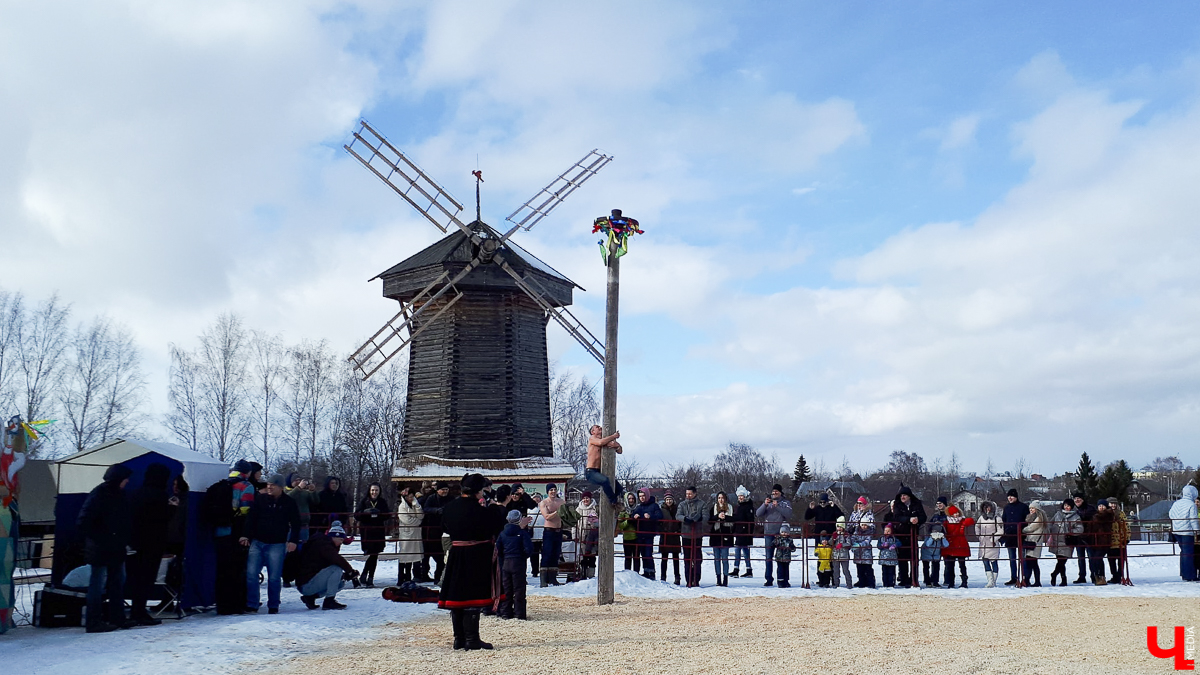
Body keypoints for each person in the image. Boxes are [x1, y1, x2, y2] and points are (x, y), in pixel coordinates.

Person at [439, 473, 506, 651]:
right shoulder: (479, 511)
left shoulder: (449, 507)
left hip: (456, 553)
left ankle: (459, 638)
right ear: (478, 491)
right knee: (471, 597)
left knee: (458, 596)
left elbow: (444, 527)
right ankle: (472, 638)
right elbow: (495, 526)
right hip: (475, 556)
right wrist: (495, 508)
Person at [77, 464, 134, 633]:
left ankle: (116, 618)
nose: (128, 481)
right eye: (125, 479)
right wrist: (103, 538)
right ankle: (95, 621)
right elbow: (84, 522)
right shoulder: (101, 495)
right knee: (99, 584)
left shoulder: (110, 494)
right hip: (103, 547)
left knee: (115, 582)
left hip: (111, 546)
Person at [242, 475, 301, 614]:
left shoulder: (289, 502)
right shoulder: (260, 500)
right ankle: (252, 604)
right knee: (251, 574)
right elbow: (250, 519)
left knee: (274, 577)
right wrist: (245, 535)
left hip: (277, 544)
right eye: (268, 484)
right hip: (257, 541)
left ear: (280, 487)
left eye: (273, 485)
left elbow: (296, 523)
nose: (269, 487)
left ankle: (273, 604)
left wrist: (293, 540)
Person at [209, 460, 256, 615]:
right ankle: (235, 605)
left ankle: (221, 605)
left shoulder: (221, 484)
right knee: (236, 570)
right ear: (247, 472)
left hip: (219, 533)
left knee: (221, 571)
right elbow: (246, 510)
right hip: (236, 534)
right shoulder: (246, 486)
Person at [127, 463, 171, 626]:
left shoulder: (137, 493)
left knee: (136, 578)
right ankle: (140, 612)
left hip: (136, 542)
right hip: (153, 543)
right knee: (147, 578)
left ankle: (135, 611)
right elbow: (163, 518)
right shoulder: (159, 495)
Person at [296, 521, 358, 610]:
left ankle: (310, 598)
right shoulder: (324, 545)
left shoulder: (323, 543)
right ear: (334, 536)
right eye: (341, 540)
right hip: (306, 584)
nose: (341, 542)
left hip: (307, 583)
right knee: (336, 569)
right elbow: (337, 559)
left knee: (340, 582)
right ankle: (329, 601)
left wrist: (347, 575)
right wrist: (350, 571)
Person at [496, 509, 533, 620]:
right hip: (518, 562)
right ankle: (519, 613)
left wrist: (504, 557)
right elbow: (529, 548)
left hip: (506, 562)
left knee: (506, 588)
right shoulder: (522, 533)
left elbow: (498, 549)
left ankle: (506, 612)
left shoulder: (502, 534)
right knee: (519, 589)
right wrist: (523, 557)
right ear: (519, 520)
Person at [354, 482, 391, 588]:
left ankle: (368, 576)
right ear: (369, 491)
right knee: (372, 554)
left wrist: (380, 513)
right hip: (367, 531)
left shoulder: (382, 502)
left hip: (378, 530)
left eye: (376, 490)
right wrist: (365, 512)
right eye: (372, 490)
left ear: (379, 491)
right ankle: (368, 577)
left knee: (375, 554)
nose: (374, 492)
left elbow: (387, 515)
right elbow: (357, 515)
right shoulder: (364, 501)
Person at [755, 484, 793, 588]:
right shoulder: (768, 503)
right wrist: (765, 505)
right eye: (773, 491)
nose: (774, 493)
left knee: (782, 558)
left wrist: (778, 507)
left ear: (780, 492)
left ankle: (783, 579)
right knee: (768, 557)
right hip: (768, 533)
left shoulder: (785, 503)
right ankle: (768, 579)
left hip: (782, 534)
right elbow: (758, 514)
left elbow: (789, 514)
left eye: (776, 491)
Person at [890, 486, 925, 587]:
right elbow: (897, 517)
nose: (902, 497)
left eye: (904, 495)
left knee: (914, 558)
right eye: (901, 495)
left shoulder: (917, 504)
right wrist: (909, 519)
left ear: (909, 496)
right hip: (901, 534)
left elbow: (923, 516)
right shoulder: (897, 504)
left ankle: (914, 579)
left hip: (913, 535)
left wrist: (918, 519)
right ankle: (904, 579)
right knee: (902, 559)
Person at [583, 425, 624, 506]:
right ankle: (613, 501)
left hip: (599, 471)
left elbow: (620, 451)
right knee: (605, 480)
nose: (600, 427)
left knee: (619, 488)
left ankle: (612, 501)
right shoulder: (592, 438)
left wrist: (617, 446)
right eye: (597, 427)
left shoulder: (605, 441)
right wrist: (613, 436)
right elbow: (600, 442)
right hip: (591, 472)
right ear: (593, 432)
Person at [1047, 498, 1083, 587]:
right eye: (1065, 505)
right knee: (1060, 561)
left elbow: (1080, 528)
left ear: (1072, 507)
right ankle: (1064, 579)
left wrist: (1070, 531)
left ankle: (1054, 574)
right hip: (1056, 541)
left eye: (1069, 506)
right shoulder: (1058, 514)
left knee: (1062, 561)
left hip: (1067, 541)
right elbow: (1050, 523)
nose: (1066, 507)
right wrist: (1051, 530)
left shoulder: (1076, 516)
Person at [420, 483, 452, 583]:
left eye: (446, 489)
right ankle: (425, 573)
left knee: (442, 555)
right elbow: (426, 508)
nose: (445, 491)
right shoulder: (431, 498)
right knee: (431, 553)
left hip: (445, 529)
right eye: (443, 489)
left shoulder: (450, 498)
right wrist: (436, 510)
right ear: (438, 490)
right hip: (432, 529)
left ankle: (439, 575)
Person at [678, 486, 706, 587]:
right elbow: (678, 515)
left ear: (695, 493)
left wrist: (699, 518)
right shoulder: (682, 504)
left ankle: (696, 579)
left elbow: (706, 516)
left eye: (690, 494)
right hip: (686, 535)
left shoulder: (702, 504)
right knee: (687, 559)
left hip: (697, 535)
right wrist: (685, 519)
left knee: (697, 559)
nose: (688, 496)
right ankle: (688, 580)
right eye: (687, 494)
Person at [394, 486, 423, 585]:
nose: (411, 498)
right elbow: (407, 520)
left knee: (413, 556)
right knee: (404, 556)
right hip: (406, 534)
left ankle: (409, 577)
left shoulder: (416, 505)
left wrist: (417, 506)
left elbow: (421, 515)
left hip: (415, 534)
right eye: (409, 497)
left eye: (412, 496)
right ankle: (401, 577)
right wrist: (418, 521)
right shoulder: (402, 506)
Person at [632, 487, 663, 580]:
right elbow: (632, 517)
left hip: (649, 533)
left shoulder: (654, 506)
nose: (642, 498)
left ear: (647, 495)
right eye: (640, 496)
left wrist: (650, 516)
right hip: (640, 534)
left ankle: (652, 572)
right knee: (643, 554)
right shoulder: (639, 507)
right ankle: (646, 572)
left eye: (643, 496)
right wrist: (634, 516)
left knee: (648, 554)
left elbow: (660, 516)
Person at [1170, 484, 1199, 581]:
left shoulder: (1176, 503)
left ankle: (1183, 573)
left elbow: (1171, 514)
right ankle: (1190, 575)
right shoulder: (1191, 505)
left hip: (1177, 531)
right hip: (1187, 532)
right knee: (1188, 554)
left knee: (1183, 553)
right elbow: (1193, 519)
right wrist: (1197, 532)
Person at [539, 483, 566, 587]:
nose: (553, 492)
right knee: (547, 554)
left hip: (559, 530)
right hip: (549, 531)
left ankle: (553, 578)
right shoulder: (544, 503)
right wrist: (558, 511)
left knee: (556, 554)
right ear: (547, 492)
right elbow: (547, 516)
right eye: (551, 490)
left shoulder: (561, 502)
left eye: (554, 489)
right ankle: (543, 580)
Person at [941, 505, 974, 588]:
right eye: (954, 513)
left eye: (957, 513)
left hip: (960, 545)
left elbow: (971, 521)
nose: (956, 515)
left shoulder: (961, 520)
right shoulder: (946, 522)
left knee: (962, 564)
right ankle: (951, 582)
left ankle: (964, 581)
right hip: (952, 545)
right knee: (950, 565)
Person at [1000, 489, 1027, 586]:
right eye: (1009, 496)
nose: (1010, 498)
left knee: (1022, 558)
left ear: (1016, 497)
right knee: (1012, 558)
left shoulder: (1023, 507)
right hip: (1009, 536)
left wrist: (1023, 530)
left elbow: (1026, 520)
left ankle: (1024, 577)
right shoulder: (1006, 508)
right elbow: (1004, 520)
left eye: (1012, 496)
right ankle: (1013, 577)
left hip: (1021, 535)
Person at [1071, 491, 1098, 584]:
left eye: (1078, 498)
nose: (1077, 500)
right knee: (1080, 558)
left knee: (1091, 557)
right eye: (1075, 499)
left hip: (1089, 537)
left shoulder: (1090, 509)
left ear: (1083, 499)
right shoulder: (1074, 511)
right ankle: (1082, 576)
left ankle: (1094, 576)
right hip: (1079, 538)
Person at [708, 491, 734, 586]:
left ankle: (725, 578)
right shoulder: (713, 508)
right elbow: (709, 520)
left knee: (725, 558)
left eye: (722, 498)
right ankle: (718, 578)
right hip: (715, 535)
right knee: (716, 559)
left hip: (726, 535)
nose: (721, 500)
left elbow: (734, 520)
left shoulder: (730, 508)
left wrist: (725, 517)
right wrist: (717, 517)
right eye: (719, 498)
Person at [975, 501, 1002, 588]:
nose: (987, 509)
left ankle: (993, 581)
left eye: (989, 507)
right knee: (985, 562)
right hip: (983, 543)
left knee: (994, 562)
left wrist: (994, 538)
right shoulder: (981, 518)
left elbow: (1001, 530)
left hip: (992, 543)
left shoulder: (997, 519)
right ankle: (990, 581)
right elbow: (977, 526)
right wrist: (979, 535)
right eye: (986, 507)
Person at [731, 486, 756, 578]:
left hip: (744, 531)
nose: (740, 498)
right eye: (739, 496)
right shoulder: (739, 506)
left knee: (739, 549)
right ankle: (747, 569)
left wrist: (749, 531)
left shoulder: (748, 507)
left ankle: (737, 569)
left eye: (742, 496)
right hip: (739, 530)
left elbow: (749, 520)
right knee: (743, 550)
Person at [285, 475, 319, 542]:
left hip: (304, 524)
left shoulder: (305, 492)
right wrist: (298, 488)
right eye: (296, 480)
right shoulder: (285, 491)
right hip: (289, 525)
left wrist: (313, 491)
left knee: (303, 546)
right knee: (288, 545)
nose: (298, 482)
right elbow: (287, 498)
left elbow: (316, 502)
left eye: (299, 480)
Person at [658, 491, 683, 585]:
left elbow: (680, 521)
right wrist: (662, 530)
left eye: (670, 499)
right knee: (664, 558)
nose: (669, 501)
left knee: (676, 558)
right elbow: (658, 522)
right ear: (665, 500)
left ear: (673, 500)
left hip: (675, 535)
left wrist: (679, 530)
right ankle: (663, 577)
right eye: (667, 499)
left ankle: (677, 577)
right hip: (665, 535)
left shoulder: (677, 509)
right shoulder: (662, 510)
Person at [1021, 504, 1047, 587]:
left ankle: (1028, 580)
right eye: (1030, 508)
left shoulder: (1039, 518)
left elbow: (1030, 528)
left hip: (1035, 543)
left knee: (1031, 562)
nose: (1031, 510)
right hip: (1032, 542)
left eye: (1033, 508)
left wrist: (1022, 529)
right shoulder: (1034, 517)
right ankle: (1034, 581)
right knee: (1033, 563)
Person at [576, 491, 600, 578]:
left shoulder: (595, 508)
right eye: (584, 498)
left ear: (590, 499)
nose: (585, 500)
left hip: (592, 535)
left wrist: (594, 521)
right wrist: (575, 535)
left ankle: (591, 574)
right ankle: (583, 573)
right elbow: (574, 523)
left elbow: (599, 522)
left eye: (587, 498)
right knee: (583, 556)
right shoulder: (578, 509)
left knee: (592, 555)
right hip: (581, 535)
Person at [1107, 499, 1130, 584]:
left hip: (1120, 540)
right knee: (1111, 560)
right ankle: (1114, 575)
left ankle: (1119, 575)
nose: (1112, 505)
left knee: (1121, 560)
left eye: (1114, 504)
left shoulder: (1121, 514)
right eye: (1111, 503)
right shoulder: (1106, 514)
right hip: (1110, 541)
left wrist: (1127, 537)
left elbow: (1126, 526)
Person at [851, 517, 876, 589]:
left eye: (865, 525)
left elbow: (867, 541)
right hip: (858, 553)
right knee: (860, 569)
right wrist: (854, 544)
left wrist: (859, 545)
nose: (864, 527)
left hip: (866, 553)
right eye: (862, 525)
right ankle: (861, 581)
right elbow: (853, 538)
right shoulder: (856, 531)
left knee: (868, 569)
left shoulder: (870, 532)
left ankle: (871, 582)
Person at [618, 492, 639, 574]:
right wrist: (628, 521)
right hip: (627, 537)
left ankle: (637, 574)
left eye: (633, 498)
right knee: (628, 558)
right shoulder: (623, 512)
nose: (631, 500)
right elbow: (621, 526)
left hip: (637, 537)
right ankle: (627, 574)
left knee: (636, 558)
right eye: (629, 498)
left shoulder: (638, 509)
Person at [921, 523, 947, 588]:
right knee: (926, 568)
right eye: (935, 531)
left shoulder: (940, 538)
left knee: (936, 567)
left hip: (936, 554)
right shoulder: (928, 536)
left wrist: (943, 538)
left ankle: (935, 581)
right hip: (926, 553)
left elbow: (946, 545)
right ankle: (927, 581)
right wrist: (932, 538)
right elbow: (927, 544)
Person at [830, 517, 853, 589]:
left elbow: (849, 543)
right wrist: (833, 539)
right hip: (835, 555)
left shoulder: (846, 535)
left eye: (840, 527)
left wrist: (842, 545)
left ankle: (849, 584)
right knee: (836, 571)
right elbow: (830, 543)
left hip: (844, 555)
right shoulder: (834, 534)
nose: (839, 529)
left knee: (845, 570)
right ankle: (836, 584)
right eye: (838, 527)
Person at [773, 522, 797, 588]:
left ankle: (786, 581)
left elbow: (793, 548)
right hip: (779, 557)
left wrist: (792, 547)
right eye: (782, 532)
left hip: (787, 557)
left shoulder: (790, 540)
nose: (784, 534)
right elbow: (774, 544)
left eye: (786, 532)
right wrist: (776, 540)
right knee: (780, 569)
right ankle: (780, 581)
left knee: (786, 570)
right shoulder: (778, 539)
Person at [877, 523, 899, 588]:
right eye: (885, 531)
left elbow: (899, 543)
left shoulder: (894, 538)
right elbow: (878, 545)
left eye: (888, 531)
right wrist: (882, 546)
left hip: (892, 558)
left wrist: (895, 545)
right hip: (883, 558)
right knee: (884, 572)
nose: (887, 532)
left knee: (891, 572)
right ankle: (885, 583)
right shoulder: (881, 538)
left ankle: (891, 583)